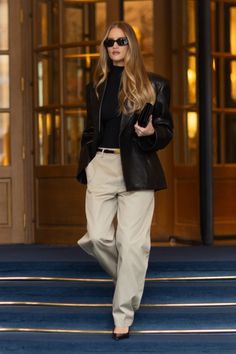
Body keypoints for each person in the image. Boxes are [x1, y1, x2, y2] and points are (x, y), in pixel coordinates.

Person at [77, 21, 173, 340]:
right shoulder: (97, 85)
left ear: (131, 44)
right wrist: (87, 164)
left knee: (132, 244)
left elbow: (166, 130)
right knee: (97, 237)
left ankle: (123, 314)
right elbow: (91, 129)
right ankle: (130, 279)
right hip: (102, 165)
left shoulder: (155, 85)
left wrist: (151, 133)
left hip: (137, 167)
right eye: (109, 42)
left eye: (120, 41)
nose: (115, 46)